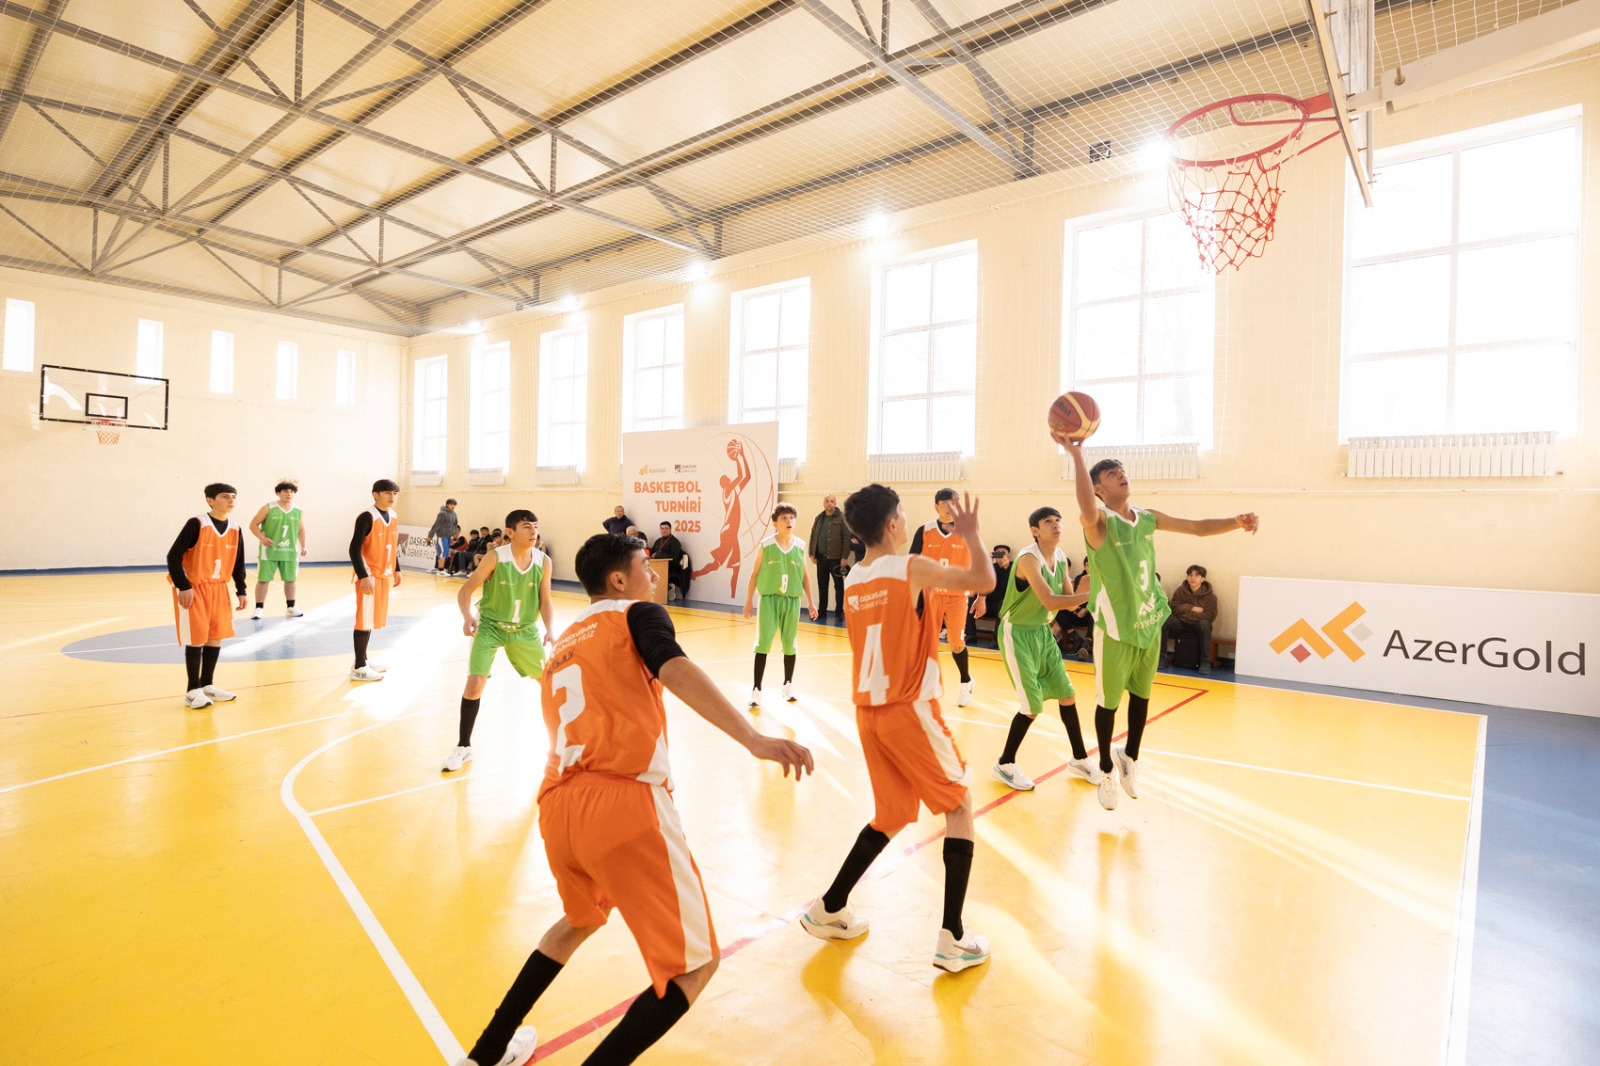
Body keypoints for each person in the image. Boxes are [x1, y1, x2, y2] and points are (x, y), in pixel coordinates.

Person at [453, 533, 813, 1066]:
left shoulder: (566, 641)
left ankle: (484, 1054)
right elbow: (675, 668)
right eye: (646, 567)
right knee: (692, 967)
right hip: (621, 802)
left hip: (557, 806)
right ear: (619, 580)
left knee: (576, 922)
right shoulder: (637, 613)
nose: (654, 577)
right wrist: (754, 739)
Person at [800, 485, 994, 973]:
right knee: (960, 805)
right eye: (903, 513)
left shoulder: (853, 580)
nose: (907, 520)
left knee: (891, 814)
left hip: (869, 713)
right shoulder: (911, 566)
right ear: (892, 524)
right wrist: (971, 535)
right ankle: (953, 937)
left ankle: (830, 907)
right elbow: (983, 581)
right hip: (909, 708)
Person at [1067, 441, 1258, 809]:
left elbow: (1198, 528)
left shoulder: (1148, 517)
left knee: (1141, 696)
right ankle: (1106, 767)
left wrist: (1235, 522)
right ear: (1098, 488)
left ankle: (1129, 758)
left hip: (1149, 620)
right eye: (1111, 473)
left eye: (1122, 470)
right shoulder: (1100, 523)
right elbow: (1086, 510)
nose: (1121, 475)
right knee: (1108, 703)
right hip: (1116, 626)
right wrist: (1076, 454)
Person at [989, 507, 1095, 793]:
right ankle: (1005, 763)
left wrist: (1090, 589)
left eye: (1059, 520)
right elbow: (1050, 600)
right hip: (1017, 633)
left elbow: (1070, 602)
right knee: (1032, 706)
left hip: (1042, 632)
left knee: (1067, 694)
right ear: (1035, 530)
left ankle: (1079, 758)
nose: (1056, 525)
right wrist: (1092, 593)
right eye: (1048, 521)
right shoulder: (1027, 559)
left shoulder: (1060, 558)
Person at [441, 510, 554, 773]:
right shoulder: (496, 557)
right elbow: (466, 589)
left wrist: (550, 628)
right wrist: (468, 616)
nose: (533, 531)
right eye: (527, 527)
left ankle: (559, 746)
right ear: (510, 533)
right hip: (490, 626)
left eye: (536, 526)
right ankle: (463, 746)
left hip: (524, 629)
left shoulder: (543, 561)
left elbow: (545, 599)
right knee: (475, 682)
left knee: (549, 682)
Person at [166, 482, 248, 709]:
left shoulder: (235, 528)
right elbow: (173, 556)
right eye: (224, 496)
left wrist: (241, 590)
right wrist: (183, 586)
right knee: (196, 637)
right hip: (195, 587)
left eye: (233, 496)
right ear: (210, 500)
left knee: (215, 636)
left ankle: (207, 684)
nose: (231, 500)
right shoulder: (197, 524)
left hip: (219, 587)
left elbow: (239, 562)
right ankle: (192, 690)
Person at [743, 503, 817, 706]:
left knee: (790, 644)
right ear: (775, 523)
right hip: (769, 600)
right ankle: (757, 689)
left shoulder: (800, 546)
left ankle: (788, 684)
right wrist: (749, 600)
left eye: (792, 518)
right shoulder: (766, 545)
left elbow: (805, 576)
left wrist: (811, 602)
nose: (789, 521)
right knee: (763, 644)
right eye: (784, 518)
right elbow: (755, 573)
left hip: (792, 601)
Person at [909, 488, 978, 706]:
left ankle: (966, 681)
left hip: (957, 596)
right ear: (936, 506)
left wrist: (982, 596)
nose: (949, 508)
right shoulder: (924, 530)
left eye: (954, 504)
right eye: (945, 503)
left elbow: (979, 565)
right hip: (930, 595)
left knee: (957, 644)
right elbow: (912, 562)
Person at [349, 479, 402, 682]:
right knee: (364, 619)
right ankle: (359, 667)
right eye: (387, 493)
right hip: (369, 575)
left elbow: (392, 545)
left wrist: (396, 568)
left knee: (370, 619)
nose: (392, 497)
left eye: (395, 493)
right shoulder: (367, 516)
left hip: (384, 574)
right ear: (375, 494)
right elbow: (354, 548)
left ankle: (362, 660)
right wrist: (363, 576)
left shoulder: (394, 516)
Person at [690, 439, 753, 598]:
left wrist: (741, 457)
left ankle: (697, 575)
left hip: (731, 532)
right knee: (729, 566)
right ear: (724, 483)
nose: (728, 479)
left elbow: (747, 477)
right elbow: (741, 475)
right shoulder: (728, 491)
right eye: (726, 478)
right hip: (728, 531)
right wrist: (740, 456)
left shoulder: (733, 492)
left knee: (729, 566)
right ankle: (730, 594)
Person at [247, 480, 308, 619]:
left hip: (289, 551)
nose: (289, 494)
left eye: (292, 492)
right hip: (269, 551)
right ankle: (259, 608)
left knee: (290, 580)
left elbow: (301, 530)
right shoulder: (268, 507)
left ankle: (291, 607)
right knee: (263, 580)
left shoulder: (298, 510)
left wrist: (304, 546)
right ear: (278, 493)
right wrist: (262, 539)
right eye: (286, 491)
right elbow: (253, 525)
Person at [1162, 564, 1219, 675]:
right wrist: (1192, 608)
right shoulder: (1180, 591)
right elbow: (1174, 609)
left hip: (1198, 625)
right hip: (1181, 623)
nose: (1193, 578)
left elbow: (1209, 616)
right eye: (1190, 575)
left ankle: (1205, 662)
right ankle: (1161, 658)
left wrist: (1185, 611)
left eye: (1197, 575)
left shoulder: (1211, 597)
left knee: (1205, 625)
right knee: (1165, 621)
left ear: (1203, 579)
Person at [807, 493, 848, 618]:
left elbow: (846, 538)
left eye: (832, 501)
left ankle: (839, 613)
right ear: (824, 503)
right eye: (827, 501)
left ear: (835, 503)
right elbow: (813, 536)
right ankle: (822, 612)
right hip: (821, 558)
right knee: (822, 586)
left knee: (839, 586)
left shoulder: (841, 518)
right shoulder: (819, 518)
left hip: (836, 559)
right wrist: (811, 553)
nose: (829, 503)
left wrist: (844, 557)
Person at [650, 521, 689, 600]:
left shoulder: (675, 542)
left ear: (670, 529)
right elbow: (652, 554)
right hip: (657, 566)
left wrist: (658, 555)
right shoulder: (658, 541)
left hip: (671, 567)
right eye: (662, 528)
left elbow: (674, 557)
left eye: (666, 528)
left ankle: (668, 587)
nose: (664, 530)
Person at [427, 498, 461, 573]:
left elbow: (455, 523)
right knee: (442, 552)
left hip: (449, 536)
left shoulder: (454, 514)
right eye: (451, 504)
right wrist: (430, 536)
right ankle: (441, 570)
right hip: (442, 535)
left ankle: (441, 569)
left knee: (445, 552)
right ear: (447, 504)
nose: (453, 506)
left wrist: (453, 532)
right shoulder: (442, 513)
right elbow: (436, 525)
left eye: (454, 505)